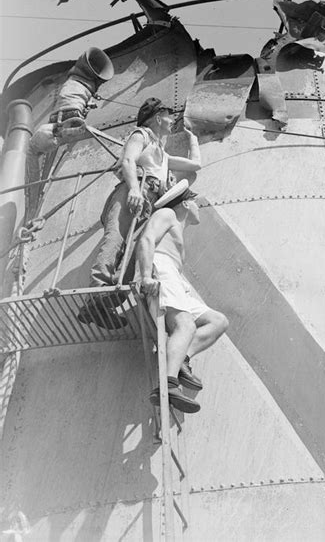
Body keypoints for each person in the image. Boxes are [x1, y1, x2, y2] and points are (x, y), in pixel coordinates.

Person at [78, 97, 201, 328]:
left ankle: (108, 304)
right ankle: (96, 294)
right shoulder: (141, 135)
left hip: (150, 201)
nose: (172, 118)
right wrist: (134, 188)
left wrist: (193, 138)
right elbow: (128, 159)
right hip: (134, 190)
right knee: (116, 238)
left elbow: (195, 165)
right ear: (157, 117)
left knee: (134, 251)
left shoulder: (163, 155)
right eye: (169, 114)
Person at [137, 187, 229, 413]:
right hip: (162, 270)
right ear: (186, 204)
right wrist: (146, 276)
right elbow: (146, 240)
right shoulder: (166, 215)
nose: (199, 207)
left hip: (175, 278)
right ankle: (167, 385)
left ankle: (181, 361)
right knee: (184, 325)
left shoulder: (178, 229)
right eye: (195, 202)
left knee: (218, 321)